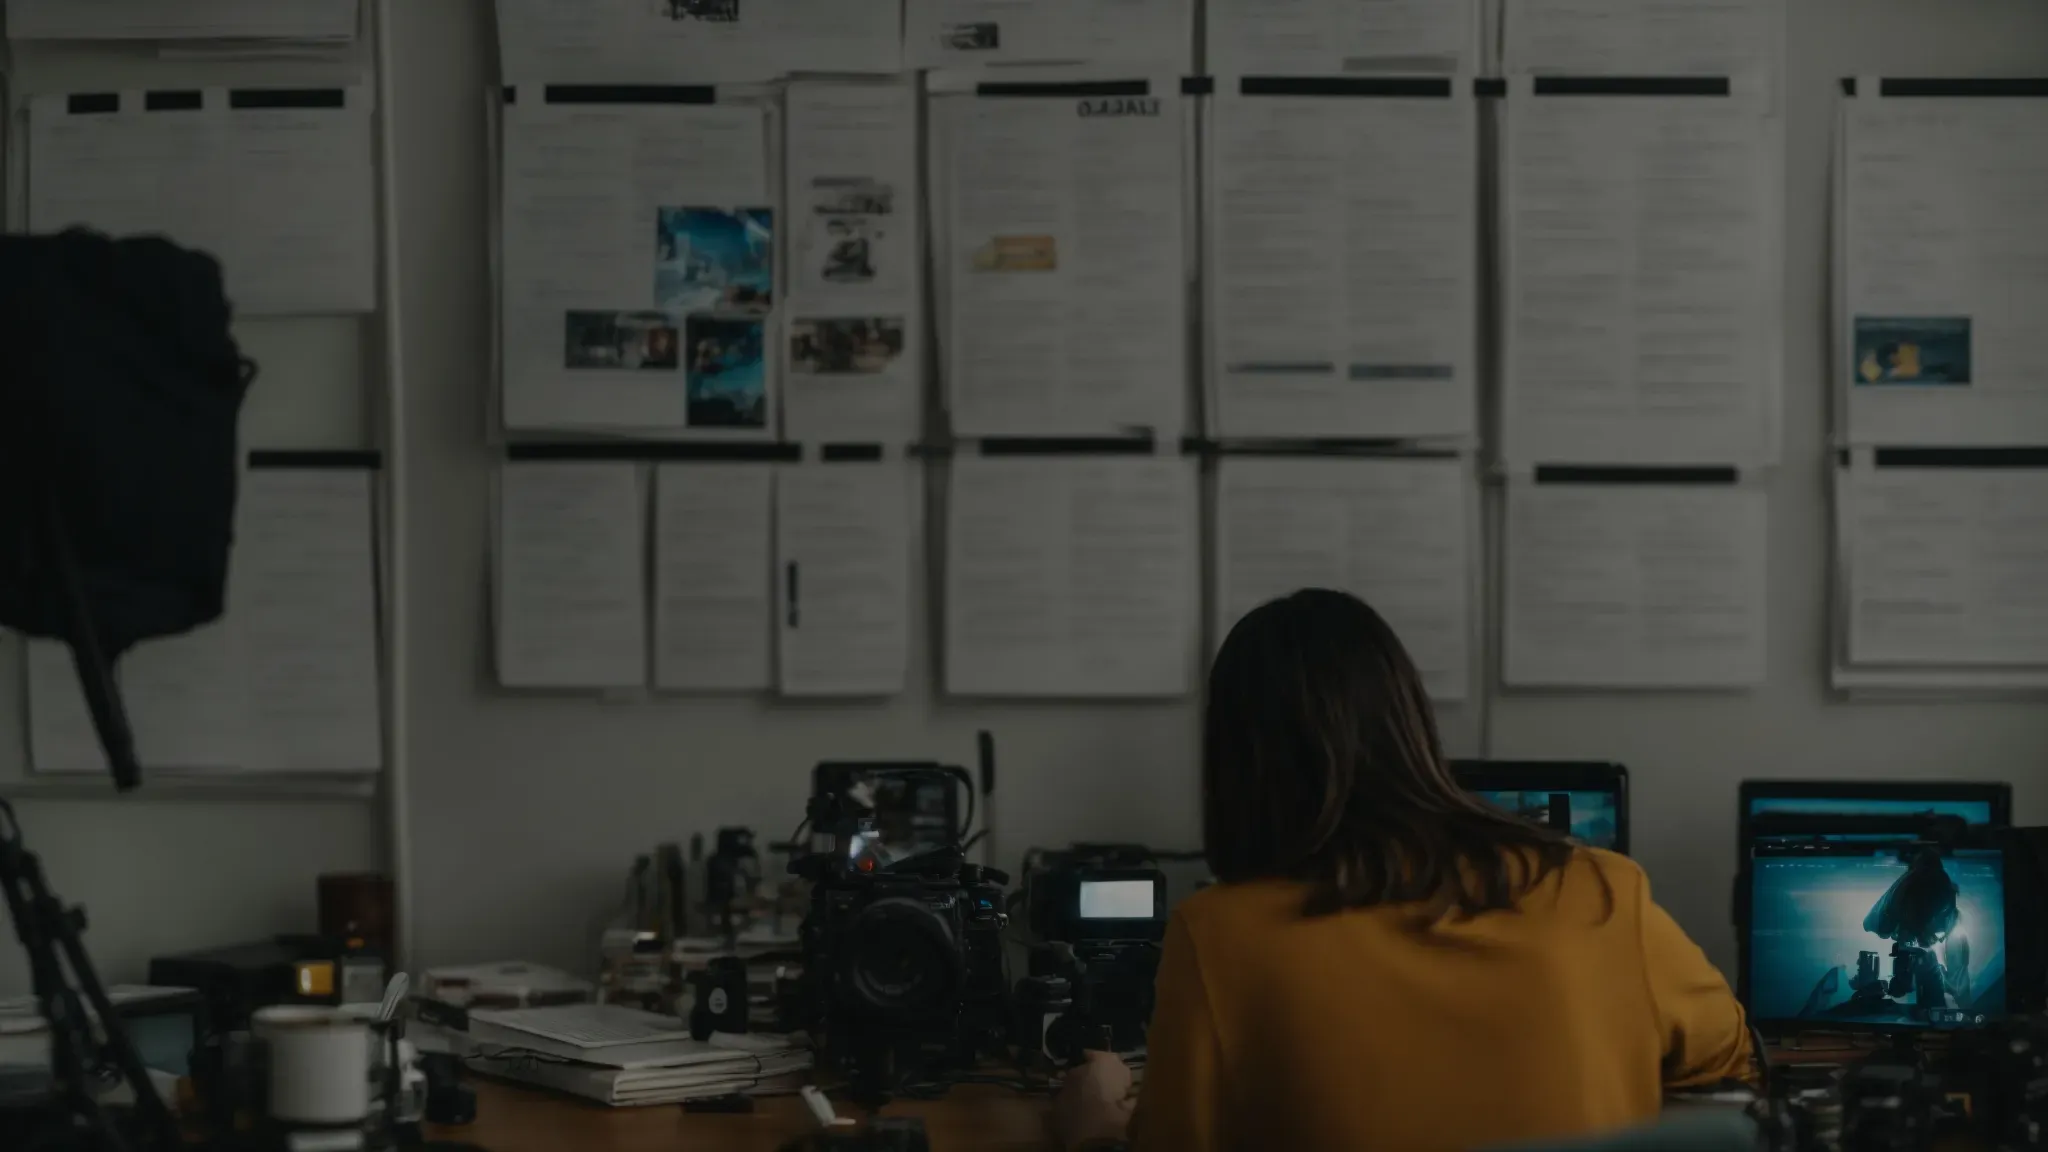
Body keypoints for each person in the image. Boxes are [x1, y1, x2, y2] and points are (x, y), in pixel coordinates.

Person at [1053, 590, 1753, 1152]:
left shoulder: (1220, 935)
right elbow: (1730, 1061)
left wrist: (1094, 1124)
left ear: (1236, 765)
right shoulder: (1599, 889)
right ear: (1409, 724)